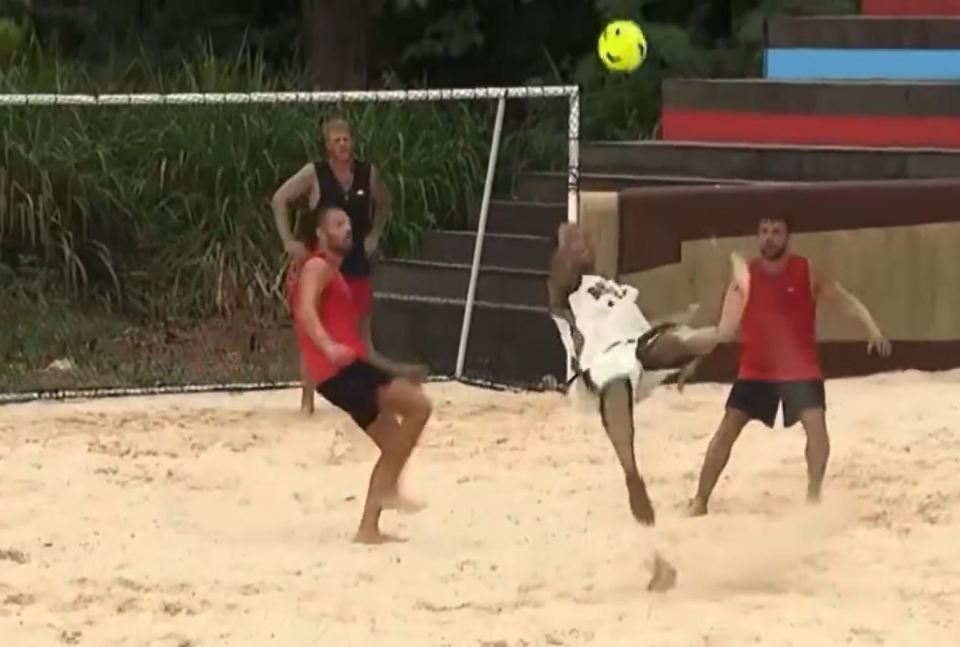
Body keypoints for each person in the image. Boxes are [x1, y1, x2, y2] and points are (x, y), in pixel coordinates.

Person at [688, 216, 892, 516]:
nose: (769, 237)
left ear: (788, 237)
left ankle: (813, 497)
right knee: (727, 429)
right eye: (764, 231)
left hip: (800, 368)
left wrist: (871, 328)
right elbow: (722, 329)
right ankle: (700, 501)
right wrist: (693, 361)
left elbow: (845, 300)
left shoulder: (806, 271)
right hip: (756, 369)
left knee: (816, 427)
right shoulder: (745, 278)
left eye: (776, 232)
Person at [547, 222, 745, 527]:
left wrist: (688, 348)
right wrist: (565, 252)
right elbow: (558, 278)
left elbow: (648, 319)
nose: (586, 245)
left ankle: (721, 333)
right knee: (616, 374)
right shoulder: (565, 289)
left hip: (636, 350)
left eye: (587, 240)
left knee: (673, 339)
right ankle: (631, 473)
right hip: (593, 369)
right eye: (577, 242)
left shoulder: (612, 285)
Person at [293, 204, 432, 544]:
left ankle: (368, 528)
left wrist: (398, 370)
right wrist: (326, 346)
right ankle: (390, 490)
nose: (348, 229)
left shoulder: (336, 275)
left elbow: (360, 345)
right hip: (340, 370)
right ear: (321, 235)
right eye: (339, 224)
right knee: (419, 408)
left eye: (349, 224)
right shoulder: (317, 266)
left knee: (393, 443)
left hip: (344, 370)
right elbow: (305, 310)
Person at [272, 117, 424, 415]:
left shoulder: (367, 174)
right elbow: (279, 199)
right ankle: (307, 400)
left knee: (360, 336)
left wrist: (375, 235)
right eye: (336, 140)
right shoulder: (315, 174)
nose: (342, 144)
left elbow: (385, 203)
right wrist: (288, 240)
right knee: (312, 328)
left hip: (355, 263)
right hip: (324, 266)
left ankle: (373, 392)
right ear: (327, 145)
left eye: (346, 139)